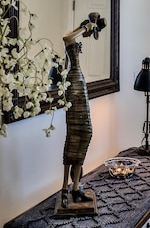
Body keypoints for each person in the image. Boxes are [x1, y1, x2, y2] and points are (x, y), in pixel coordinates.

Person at [60, 12, 106, 208]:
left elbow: (67, 61)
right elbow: (66, 38)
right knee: (76, 133)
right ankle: (65, 187)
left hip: (78, 83)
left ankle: (76, 187)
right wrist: (85, 27)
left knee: (82, 133)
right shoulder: (74, 35)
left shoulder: (77, 41)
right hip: (75, 83)